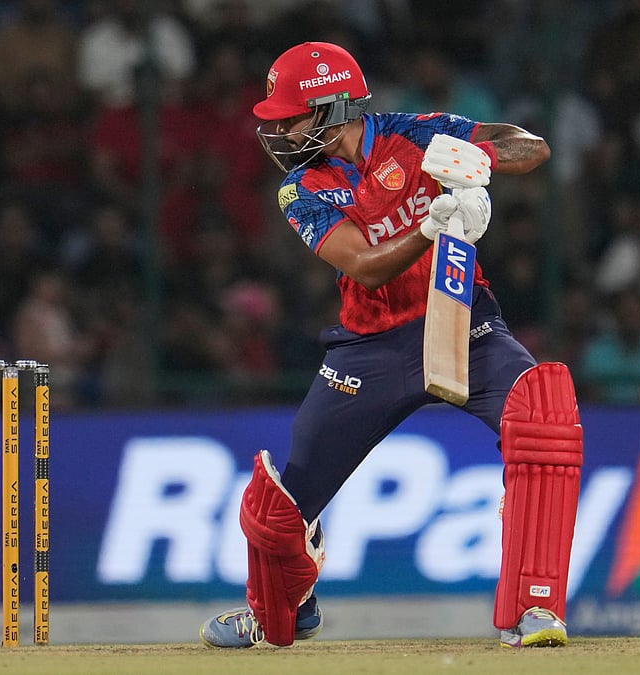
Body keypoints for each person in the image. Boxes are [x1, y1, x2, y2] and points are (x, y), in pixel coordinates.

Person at [197, 42, 582, 650]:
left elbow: (531, 147)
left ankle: (536, 607)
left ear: (332, 108)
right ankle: (281, 608)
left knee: (542, 419)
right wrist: (432, 224)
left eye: (291, 118)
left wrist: (475, 160)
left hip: (464, 324)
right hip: (369, 347)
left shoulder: (417, 134)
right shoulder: (300, 188)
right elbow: (366, 266)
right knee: (281, 507)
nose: (281, 132)